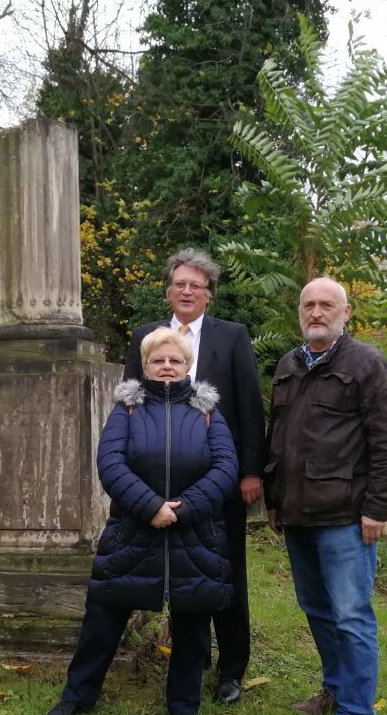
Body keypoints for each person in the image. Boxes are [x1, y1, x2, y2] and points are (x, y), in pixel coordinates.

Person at [47, 328, 238, 715]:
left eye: (175, 360)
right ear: (146, 365)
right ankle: (77, 697)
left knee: (193, 628)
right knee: (101, 623)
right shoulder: (127, 411)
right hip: (132, 531)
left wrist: (182, 510)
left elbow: (225, 467)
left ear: (187, 366)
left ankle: (183, 704)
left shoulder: (207, 414)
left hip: (195, 534)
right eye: (158, 360)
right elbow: (111, 463)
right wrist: (151, 506)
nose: (167, 366)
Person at [122, 248, 264, 705]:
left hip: (219, 479)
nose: (187, 291)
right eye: (179, 283)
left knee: (224, 573)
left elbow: (248, 406)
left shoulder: (233, 336)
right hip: (157, 483)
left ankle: (231, 669)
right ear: (168, 289)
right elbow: (128, 403)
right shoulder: (147, 337)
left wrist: (250, 472)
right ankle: (192, 655)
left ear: (209, 295)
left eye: (196, 286)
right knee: (178, 574)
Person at [263, 278, 387, 715]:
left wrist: (377, 507)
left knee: (350, 616)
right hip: (297, 514)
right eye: (309, 305)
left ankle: (356, 709)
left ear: (346, 313)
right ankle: (336, 691)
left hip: (345, 516)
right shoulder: (288, 364)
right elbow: (279, 438)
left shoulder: (365, 363)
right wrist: (274, 499)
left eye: (327, 305)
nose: (316, 312)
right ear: (300, 312)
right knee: (318, 611)